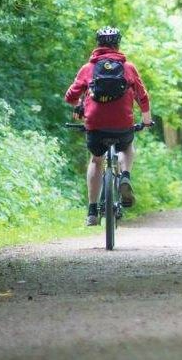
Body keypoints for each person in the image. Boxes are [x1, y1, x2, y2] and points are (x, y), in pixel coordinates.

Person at [65, 26, 152, 226]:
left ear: (98, 44)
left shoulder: (88, 68)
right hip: (122, 124)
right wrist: (146, 120)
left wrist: (80, 105)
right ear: (118, 44)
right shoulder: (128, 67)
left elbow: (70, 96)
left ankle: (92, 211)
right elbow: (142, 96)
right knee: (127, 146)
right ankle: (125, 177)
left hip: (95, 125)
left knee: (96, 160)